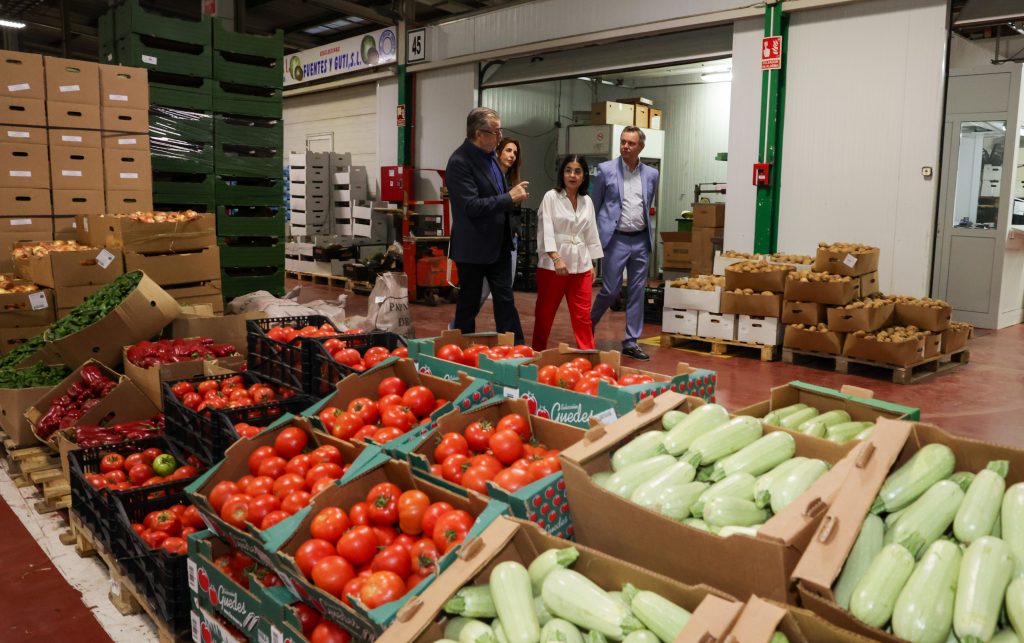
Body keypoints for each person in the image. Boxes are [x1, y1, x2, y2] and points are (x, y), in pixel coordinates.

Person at [446, 107, 529, 344]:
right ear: (479, 133)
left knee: (505, 301)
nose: (500, 137)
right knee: (469, 305)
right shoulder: (460, 161)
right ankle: (460, 350)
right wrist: (508, 198)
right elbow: (470, 206)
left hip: (498, 245)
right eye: (496, 132)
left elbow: (495, 194)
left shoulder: (491, 157)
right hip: (473, 248)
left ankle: (516, 350)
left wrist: (509, 195)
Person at [589, 126, 659, 361]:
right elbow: (594, 206)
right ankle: (588, 326)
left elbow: (647, 203)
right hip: (615, 238)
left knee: (638, 291)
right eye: (623, 142)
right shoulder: (605, 170)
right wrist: (594, 240)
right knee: (610, 290)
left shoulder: (651, 174)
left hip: (640, 239)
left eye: (631, 143)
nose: (625, 146)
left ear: (641, 146)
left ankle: (631, 341)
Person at [533, 154, 602, 351]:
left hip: (581, 266)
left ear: (583, 175)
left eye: (577, 171)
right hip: (553, 266)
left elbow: (591, 232)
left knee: (583, 316)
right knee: (545, 315)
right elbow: (545, 229)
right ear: (562, 174)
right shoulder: (551, 197)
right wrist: (555, 258)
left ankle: (588, 355)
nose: (572, 175)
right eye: (568, 170)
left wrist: (593, 264)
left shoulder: (587, 201)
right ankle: (537, 354)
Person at [479, 137, 522, 302]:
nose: (512, 155)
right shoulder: (488, 178)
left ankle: (505, 328)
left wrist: (516, 233)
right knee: (481, 292)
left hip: (510, 240)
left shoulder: (513, 181)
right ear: (498, 152)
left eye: (515, 153)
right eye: (508, 151)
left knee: (505, 294)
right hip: (489, 240)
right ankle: (456, 326)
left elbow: (513, 214)